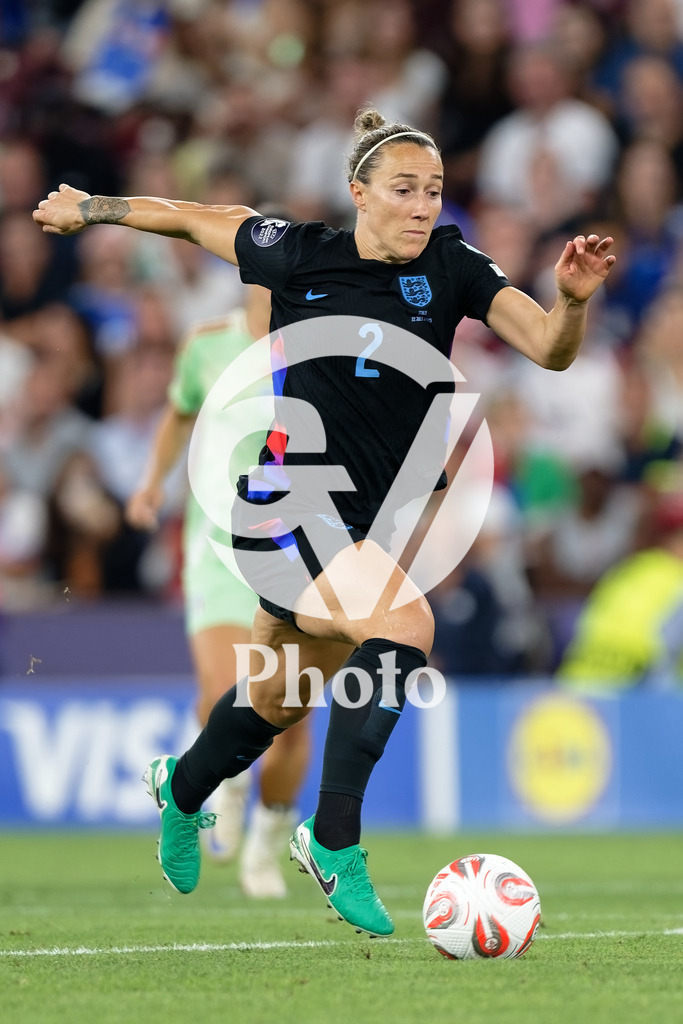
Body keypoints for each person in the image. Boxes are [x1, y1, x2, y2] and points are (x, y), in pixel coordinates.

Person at [33, 107, 616, 938]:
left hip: (365, 526)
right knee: (405, 625)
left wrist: (570, 301)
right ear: (360, 193)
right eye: (405, 190)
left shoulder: (451, 265)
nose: (423, 206)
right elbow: (198, 219)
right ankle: (332, 836)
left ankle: (181, 788)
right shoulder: (299, 253)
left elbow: (550, 348)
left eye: (436, 191)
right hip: (283, 508)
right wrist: (94, 207)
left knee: (277, 700)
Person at [125, 283, 311, 898]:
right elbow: (180, 413)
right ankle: (223, 778)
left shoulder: (317, 344)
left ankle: (265, 842)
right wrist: (152, 485)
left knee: (293, 712)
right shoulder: (208, 344)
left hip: (295, 550)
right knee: (219, 689)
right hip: (215, 547)